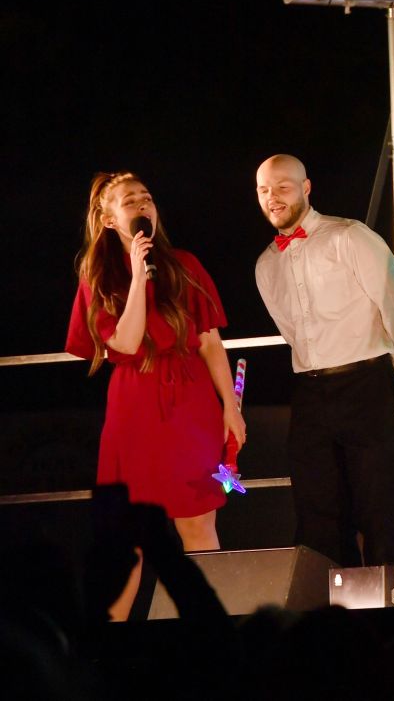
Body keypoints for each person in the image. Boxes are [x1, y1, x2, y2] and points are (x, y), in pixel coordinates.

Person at [66, 172, 247, 620]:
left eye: (146, 197)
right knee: (128, 536)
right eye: (130, 200)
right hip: (136, 405)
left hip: (191, 401)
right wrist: (137, 277)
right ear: (109, 219)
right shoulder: (98, 276)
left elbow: (210, 342)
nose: (143, 205)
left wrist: (231, 408)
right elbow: (126, 343)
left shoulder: (184, 264)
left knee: (198, 522)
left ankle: (210, 632)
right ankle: (110, 642)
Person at [255, 155, 394, 570]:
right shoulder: (267, 264)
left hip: (366, 380)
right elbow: (292, 331)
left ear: (306, 188)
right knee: (316, 513)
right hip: (310, 392)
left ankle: (388, 607)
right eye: (264, 190)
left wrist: (392, 377)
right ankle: (327, 608)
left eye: (282, 187)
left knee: (380, 508)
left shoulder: (350, 237)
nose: (273, 197)